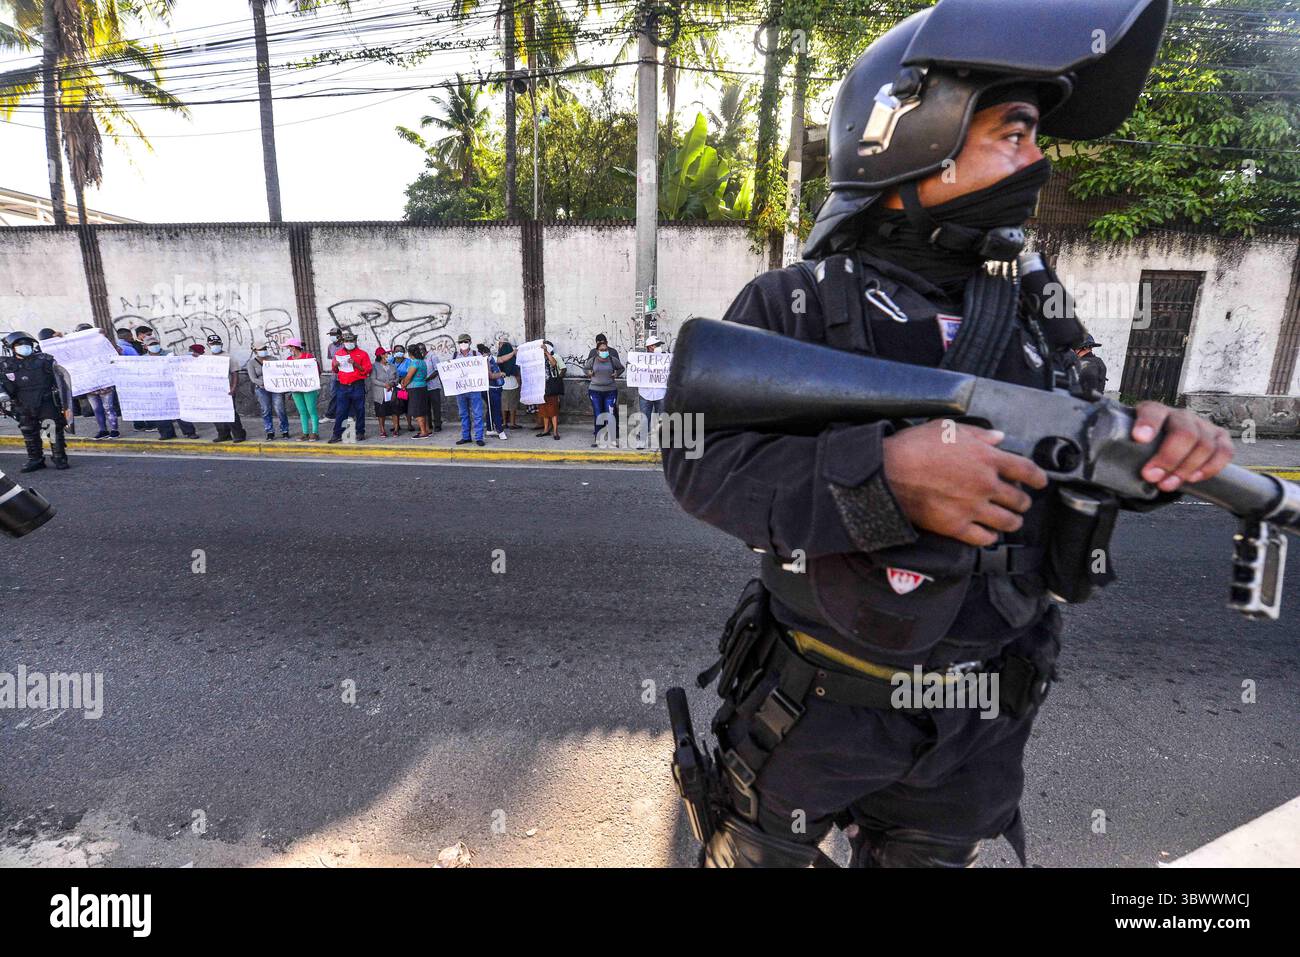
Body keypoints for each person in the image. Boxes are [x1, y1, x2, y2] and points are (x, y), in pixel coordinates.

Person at [662, 0, 1233, 869]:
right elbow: (700, 461)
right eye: (1014, 131)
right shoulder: (801, 302)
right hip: (813, 716)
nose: (1036, 159)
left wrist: (1152, 456)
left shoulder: (1042, 318)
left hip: (977, 735)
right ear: (913, 132)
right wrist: (884, 475)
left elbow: (1076, 459)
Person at [0, 331, 69, 471]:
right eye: (19, 344)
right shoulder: (5, 365)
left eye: (27, 344)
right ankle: (35, 459)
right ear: (12, 348)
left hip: (46, 402)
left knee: (52, 430)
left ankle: (59, 457)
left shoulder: (45, 360)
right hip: (22, 403)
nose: (24, 346)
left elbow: (61, 380)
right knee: (29, 431)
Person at [139, 336, 198, 440]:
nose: (154, 346)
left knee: (179, 410)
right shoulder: (143, 359)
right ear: (145, 346)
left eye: (155, 344)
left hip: (172, 387)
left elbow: (180, 364)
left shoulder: (169, 354)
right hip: (155, 389)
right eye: (151, 345)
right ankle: (167, 434)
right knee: (160, 412)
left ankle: (189, 432)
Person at [328, 330, 371, 443]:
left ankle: (360, 432)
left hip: (357, 385)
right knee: (341, 411)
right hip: (342, 386)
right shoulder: (339, 354)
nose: (348, 342)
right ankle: (337, 434)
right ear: (343, 341)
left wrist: (355, 364)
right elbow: (335, 370)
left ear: (355, 341)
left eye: (351, 340)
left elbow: (367, 370)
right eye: (346, 341)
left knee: (360, 410)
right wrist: (336, 366)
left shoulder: (362, 354)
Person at [204, 334, 247, 444]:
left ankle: (239, 434)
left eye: (217, 344)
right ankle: (223, 434)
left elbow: (235, 374)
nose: (215, 346)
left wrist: (233, 388)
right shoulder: (205, 357)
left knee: (230, 412)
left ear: (221, 344)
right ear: (208, 345)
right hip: (211, 390)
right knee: (215, 413)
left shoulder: (228, 357)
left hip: (226, 390)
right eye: (213, 344)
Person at [583, 333, 623, 447]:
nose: (604, 351)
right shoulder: (593, 360)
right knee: (598, 414)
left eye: (605, 349)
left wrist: (617, 373)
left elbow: (621, 368)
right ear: (597, 350)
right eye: (602, 350)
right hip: (595, 391)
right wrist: (589, 373)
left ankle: (613, 439)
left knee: (610, 414)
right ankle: (598, 438)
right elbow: (585, 369)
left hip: (610, 391)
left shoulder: (612, 359)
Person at [247, 341, 291, 440]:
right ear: (255, 351)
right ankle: (269, 431)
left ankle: (285, 430)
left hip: (276, 388)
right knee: (266, 410)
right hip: (262, 389)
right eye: (261, 349)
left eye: (264, 349)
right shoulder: (251, 363)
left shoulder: (274, 359)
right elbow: (253, 378)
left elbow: (281, 372)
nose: (263, 351)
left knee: (280, 409)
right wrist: (265, 383)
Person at [282, 338, 320, 440]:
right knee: (302, 411)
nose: (288, 349)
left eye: (289, 347)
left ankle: (315, 432)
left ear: (293, 347)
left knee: (311, 410)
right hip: (296, 389)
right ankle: (305, 433)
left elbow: (317, 371)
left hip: (309, 388)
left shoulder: (309, 357)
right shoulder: (289, 360)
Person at [452, 333, 485, 446]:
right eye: (461, 342)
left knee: (477, 414)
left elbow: (483, 369)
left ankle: (479, 437)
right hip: (461, 390)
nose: (463, 344)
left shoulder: (477, 354)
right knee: (463, 414)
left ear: (470, 342)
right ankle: (466, 437)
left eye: (465, 341)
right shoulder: (455, 355)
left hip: (475, 388)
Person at [636, 334, 668, 447]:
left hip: (661, 393)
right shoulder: (640, 360)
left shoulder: (666, 359)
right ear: (650, 347)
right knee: (645, 417)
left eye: (660, 345)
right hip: (645, 393)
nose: (660, 347)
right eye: (657, 345)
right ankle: (642, 440)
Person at [398, 343, 433, 438]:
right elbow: (425, 375)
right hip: (423, 386)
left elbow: (409, 376)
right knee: (423, 410)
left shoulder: (415, 362)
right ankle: (427, 430)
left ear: (410, 353)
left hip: (415, 389)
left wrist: (403, 384)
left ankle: (423, 432)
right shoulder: (422, 362)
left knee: (417, 410)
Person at [535, 339, 564, 441]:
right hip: (541, 388)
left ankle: (555, 431)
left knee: (553, 411)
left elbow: (554, 363)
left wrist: (546, 352)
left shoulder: (552, 357)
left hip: (551, 387)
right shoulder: (538, 360)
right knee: (544, 410)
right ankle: (546, 430)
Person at [478, 342, 507, 440]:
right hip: (490, 389)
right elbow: (489, 375)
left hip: (495, 389)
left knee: (490, 409)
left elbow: (502, 359)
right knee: (496, 410)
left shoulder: (491, 359)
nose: (489, 355)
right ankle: (500, 431)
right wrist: (501, 374)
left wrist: (513, 353)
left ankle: (490, 429)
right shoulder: (484, 361)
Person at [370, 346, 399, 437]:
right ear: (381, 355)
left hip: (392, 392)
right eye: (387, 354)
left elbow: (397, 378)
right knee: (381, 412)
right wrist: (385, 385)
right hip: (380, 394)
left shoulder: (393, 366)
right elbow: (373, 379)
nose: (389, 355)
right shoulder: (374, 366)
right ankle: (382, 430)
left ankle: (396, 429)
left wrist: (392, 384)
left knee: (394, 411)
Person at [496, 335, 522, 429]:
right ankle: (512, 423)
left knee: (503, 405)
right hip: (513, 384)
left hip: (502, 384)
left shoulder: (498, 358)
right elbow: (517, 374)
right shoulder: (514, 359)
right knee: (513, 406)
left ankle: (504, 423)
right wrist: (520, 384)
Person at [323, 326, 344, 421]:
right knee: (333, 394)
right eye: (331, 335)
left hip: (345, 374)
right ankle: (330, 415)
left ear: (340, 336)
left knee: (346, 395)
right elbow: (332, 359)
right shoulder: (330, 346)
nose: (332, 337)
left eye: (334, 335)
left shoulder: (345, 345)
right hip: (334, 374)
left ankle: (348, 416)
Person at [389, 343, 410, 433]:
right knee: (394, 406)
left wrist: (402, 380)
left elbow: (410, 373)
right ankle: (396, 426)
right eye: (397, 351)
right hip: (393, 387)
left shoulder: (408, 361)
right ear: (393, 352)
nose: (399, 352)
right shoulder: (390, 361)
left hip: (405, 386)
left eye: (401, 351)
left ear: (404, 352)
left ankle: (409, 424)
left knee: (406, 405)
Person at [423, 343, 444, 432]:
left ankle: (438, 424)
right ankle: (429, 424)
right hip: (424, 387)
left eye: (421, 350)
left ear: (424, 349)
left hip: (434, 386)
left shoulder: (433, 356)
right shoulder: (419, 359)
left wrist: (427, 379)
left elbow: (437, 370)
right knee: (426, 407)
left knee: (436, 407)